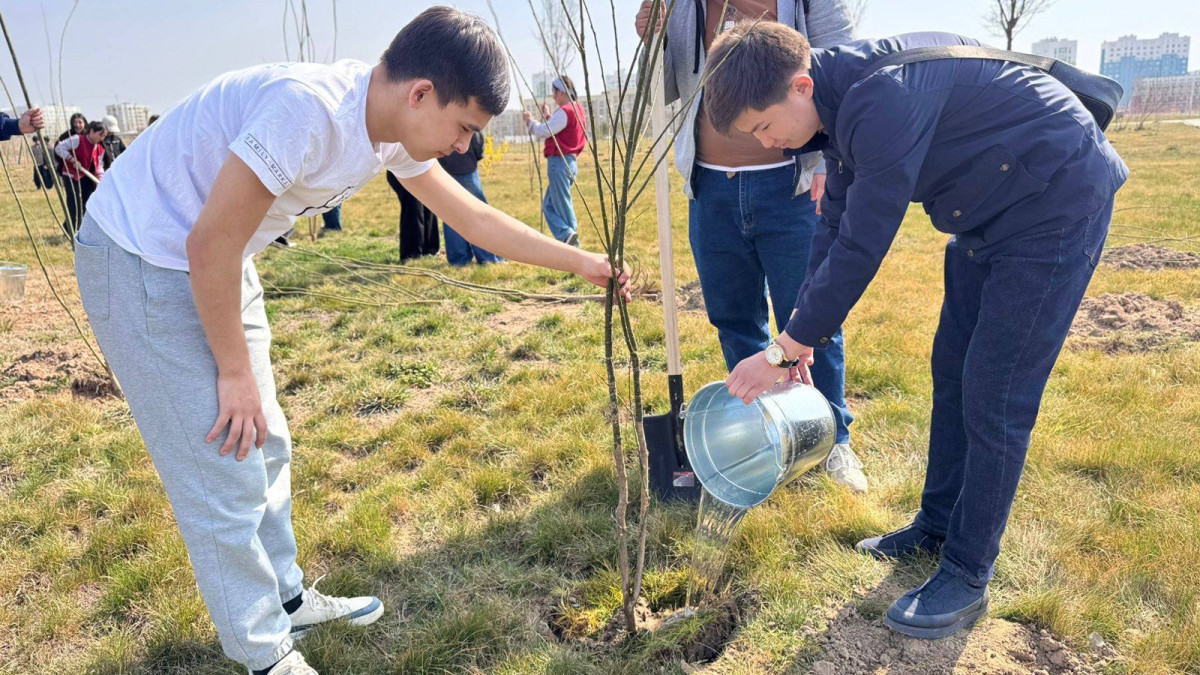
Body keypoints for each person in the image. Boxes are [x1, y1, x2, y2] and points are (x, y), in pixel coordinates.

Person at [73, 7, 630, 674]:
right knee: (220, 456)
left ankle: (284, 596)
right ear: (421, 92)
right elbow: (207, 241)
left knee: (266, 436)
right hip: (142, 254)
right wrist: (232, 369)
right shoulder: (306, 112)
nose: (463, 145)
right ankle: (263, 650)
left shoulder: (391, 131)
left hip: (218, 257)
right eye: (464, 128)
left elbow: (472, 217)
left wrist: (582, 263)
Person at [706, 23, 1127, 639]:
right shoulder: (838, 101)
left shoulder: (881, 100)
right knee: (951, 374)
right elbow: (835, 224)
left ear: (800, 84)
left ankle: (966, 572)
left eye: (764, 126)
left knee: (996, 394)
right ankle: (935, 526)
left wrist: (783, 349)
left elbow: (863, 243)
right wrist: (801, 333)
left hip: (1055, 206)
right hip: (991, 213)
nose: (767, 143)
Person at [634, 0, 865, 492]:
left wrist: (826, 163)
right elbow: (667, 85)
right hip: (711, 186)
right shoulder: (679, 5)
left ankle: (833, 439)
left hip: (792, 184)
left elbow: (841, 67)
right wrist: (650, 36)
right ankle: (769, 431)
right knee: (733, 316)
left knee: (808, 315)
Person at [523, 75, 585, 246]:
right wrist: (549, 115)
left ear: (562, 92)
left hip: (559, 163)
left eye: (554, 92)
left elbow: (544, 131)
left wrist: (530, 122)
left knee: (563, 207)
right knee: (548, 205)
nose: (553, 96)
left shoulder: (565, 111)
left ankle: (572, 245)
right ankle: (567, 237)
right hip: (570, 162)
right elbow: (560, 130)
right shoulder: (577, 109)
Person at [438, 130, 502, 265]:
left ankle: (459, 259)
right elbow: (477, 141)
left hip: (445, 171)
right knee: (478, 214)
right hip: (467, 169)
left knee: (451, 216)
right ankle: (488, 257)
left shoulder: (439, 117)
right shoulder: (466, 114)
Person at [55, 120, 107, 236]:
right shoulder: (77, 139)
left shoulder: (99, 148)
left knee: (86, 203)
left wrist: (101, 180)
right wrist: (72, 159)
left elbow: (99, 166)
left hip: (84, 176)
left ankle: (81, 229)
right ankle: (70, 231)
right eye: (100, 135)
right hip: (71, 176)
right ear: (92, 131)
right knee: (74, 203)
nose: (102, 138)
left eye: (104, 136)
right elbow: (59, 148)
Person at [389, 169, 440, 260]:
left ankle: (429, 250)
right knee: (413, 210)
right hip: (404, 173)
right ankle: (411, 254)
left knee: (429, 208)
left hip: (423, 173)